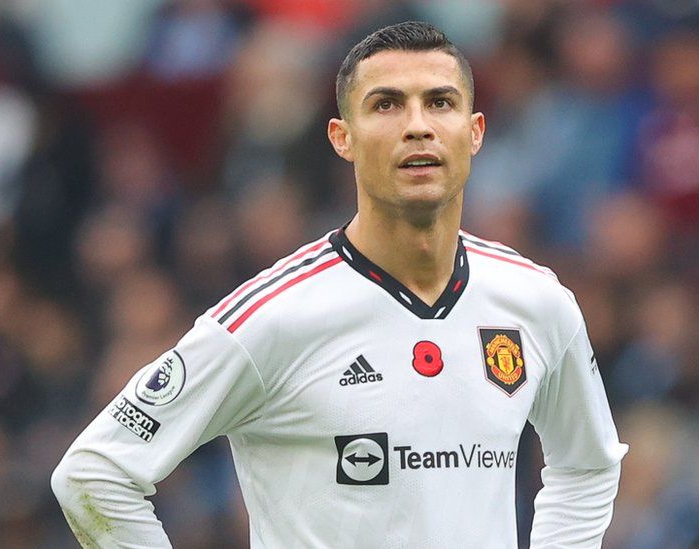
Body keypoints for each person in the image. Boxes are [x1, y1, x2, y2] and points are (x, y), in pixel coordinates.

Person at [51, 21, 628, 548]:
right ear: (341, 137)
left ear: (474, 132)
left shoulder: (536, 301)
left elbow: (588, 466)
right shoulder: (276, 317)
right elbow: (95, 473)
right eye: (386, 105)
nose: (418, 126)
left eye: (440, 103)